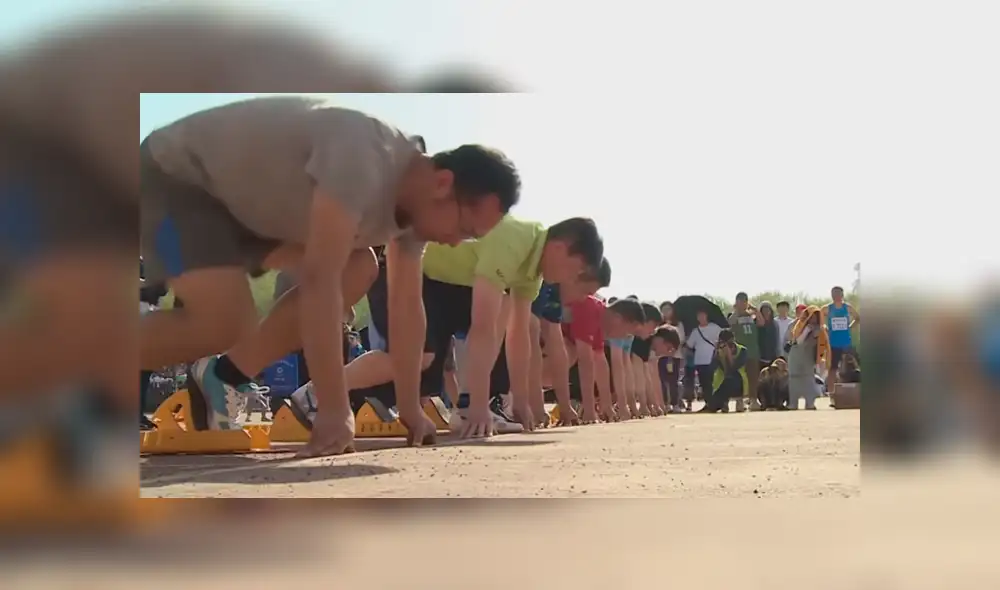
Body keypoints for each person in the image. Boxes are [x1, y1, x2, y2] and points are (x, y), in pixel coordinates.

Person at [140, 96, 519, 458]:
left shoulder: (413, 211)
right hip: (175, 181)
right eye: (465, 229)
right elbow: (321, 280)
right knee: (222, 323)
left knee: (361, 267)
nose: (456, 243)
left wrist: (410, 407)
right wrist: (335, 410)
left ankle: (223, 375)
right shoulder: (364, 157)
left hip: (248, 219)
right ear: (442, 184)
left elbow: (406, 305)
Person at [298, 215, 604, 438]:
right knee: (419, 358)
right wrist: (480, 407)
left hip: (444, 284)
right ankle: (315, 393)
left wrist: (521, 402)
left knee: (506, 310)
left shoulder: (532, 274)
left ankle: (469, 405)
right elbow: (482, 328)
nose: (567, 279)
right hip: (404, 268)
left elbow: (518, 338)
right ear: (561, 247)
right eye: (574, 270)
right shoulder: (515, 239)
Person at [554, 260, 615, 424]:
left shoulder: (596, 309)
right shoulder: (586, 306)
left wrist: (606, 405)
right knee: (569, 352)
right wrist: (588, 409)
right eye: (587, 291)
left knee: (568, 351)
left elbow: (599, 360)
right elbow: (586, 359)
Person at [602, 298, 649, 419]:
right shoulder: (617, 327)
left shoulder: (627, 332)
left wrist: (631, 405)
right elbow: (617, 364)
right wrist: (623, 406)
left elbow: (626, 366)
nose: (627, 335)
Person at [786, 306, 830, 410]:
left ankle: (810, 403)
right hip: (796, 355)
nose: (814, 318)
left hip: (809, 357)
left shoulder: (821, 329)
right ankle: (793, 403)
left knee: (809, 380)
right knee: (794, 380)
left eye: (816, 316)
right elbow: (798, 341)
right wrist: (806, 330)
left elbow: (824, 345)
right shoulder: (797, 325)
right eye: (812, 316)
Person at [698, 329, 749, 413]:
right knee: (706, 377)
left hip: (738, 381)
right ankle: (715, 403)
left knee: (731, 379)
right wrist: (717, 354)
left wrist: (728, 354)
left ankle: (719, 403)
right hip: (722, 382)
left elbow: (733, 368)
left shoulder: (742, 350)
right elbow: (712, 368)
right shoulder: (719, 351)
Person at [628, 302, 665, 416]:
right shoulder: (633, 338)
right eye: (653, 327)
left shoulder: (643, 340)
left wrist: (652, 404)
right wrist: (643, 406)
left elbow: (646, 375)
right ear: (644, 321)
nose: (653, 332)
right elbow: (637, 375)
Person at [729, 292, 764, 412]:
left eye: (744, 301)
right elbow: (730, 323)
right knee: (739, 377)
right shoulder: (734, 316)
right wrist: (737, 311)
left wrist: (756, 310)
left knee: (753, 377)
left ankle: (753, 400)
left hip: (753, 350)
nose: (742, 304)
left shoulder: (751, 316)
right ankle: (739, 401)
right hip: (739, 351)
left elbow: (761, 323)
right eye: (739, 301)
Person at [684, 310, 723, 410]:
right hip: (699, 360)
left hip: (712, 358)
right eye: (699, 316)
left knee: (712, 382)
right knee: (704, 383)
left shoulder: (714, 328)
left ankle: (715, 403)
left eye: (703, 315)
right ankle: (708, 403)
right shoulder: (695, 331)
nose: (701, 317)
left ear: (706, 316)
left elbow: (723, 338)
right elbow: (689, 345)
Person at [825, 286, 861, 393]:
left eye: (838, 294)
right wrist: (824, 327)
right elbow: (820, 318)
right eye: (834, 294)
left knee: (853, 366)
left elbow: (857, 318)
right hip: (833, 343)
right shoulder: (827, 308)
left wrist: (850, 327)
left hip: (846, 342)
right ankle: (831, 392)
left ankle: (857, 390)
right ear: (832, 295)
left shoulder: (847, 307)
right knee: (832, 369)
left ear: (842, 295)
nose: (837, 296)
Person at [659, 301, 686, 413]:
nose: (666, 312)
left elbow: (682, 339)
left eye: (668, 309)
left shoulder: (678, 324)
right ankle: (665, 403)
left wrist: (672, 350)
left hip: (675, 356)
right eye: (664, 310)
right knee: (662, 380)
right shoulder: (659, 325)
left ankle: (675, 403)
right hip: (661, 356)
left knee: (673, 381)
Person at [755, 301, 782, 402]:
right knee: (761, 381)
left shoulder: (775, 324)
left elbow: (777, 339)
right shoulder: (756, 323)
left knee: (774, 381)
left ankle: (775, 401)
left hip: (772, 356)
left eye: (768, 310)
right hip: (760, 356)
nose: (766, 312)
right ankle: (762, 401)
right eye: (764, 310)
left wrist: (779, 354)